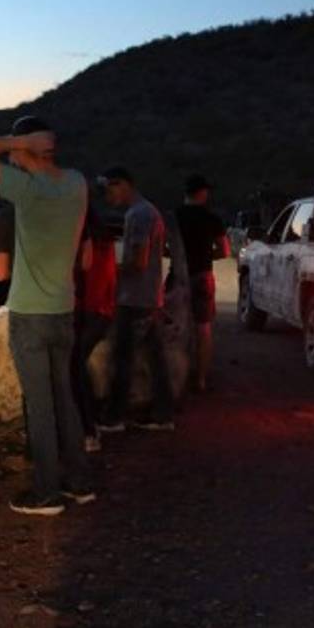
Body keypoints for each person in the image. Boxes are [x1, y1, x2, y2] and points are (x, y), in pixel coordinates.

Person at [0, 116, 92, 516]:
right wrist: (30, 146)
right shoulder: (76, 183)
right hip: (63, 308)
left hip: (30, 311)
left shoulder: (25, 191)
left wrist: (14, 141)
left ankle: (47, 492)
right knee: (63, 396)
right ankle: (79, 483)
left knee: (38, 403)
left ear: (23, 151)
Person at [96, 166, 175, 433]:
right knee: (156, 360)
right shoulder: (149, 212)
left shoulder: (139, 215)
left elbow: (138, 262)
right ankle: (163, 415)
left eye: (109, 189)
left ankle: (115, 417)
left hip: (136, 299)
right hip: (150, 297)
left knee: (123, 359)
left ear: (123, 184)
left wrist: (108, 270)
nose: (108, 196)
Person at [174, 174, 230, 392]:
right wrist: (207, 255)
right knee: (203, 328)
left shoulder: (175, 217)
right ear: (202, 193)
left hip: (179, 275)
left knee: (176, 326)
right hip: (203, 275)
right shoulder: (212, 219)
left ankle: (178, 374)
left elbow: (164, 247)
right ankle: (201, 379)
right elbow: (224, 251)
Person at [72, 201, 116, 451]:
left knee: (75, 369)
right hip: (101, 311)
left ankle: (89, 429)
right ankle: (91, 423)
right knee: (77, 368)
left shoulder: (88, 241)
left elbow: (86, 275)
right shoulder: (103, 239)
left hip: (92, 311)